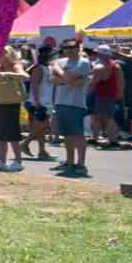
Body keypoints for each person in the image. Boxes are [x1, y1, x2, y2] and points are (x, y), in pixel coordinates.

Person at [47, 38, 94, 178]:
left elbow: (71, 80)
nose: (68, 50)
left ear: (78, 47)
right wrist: (67, 78)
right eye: (65, 47)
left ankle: (81, 164)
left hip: (75, 104)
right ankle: (69, 161)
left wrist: (57, 70)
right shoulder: (61, 62)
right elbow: (52, 81)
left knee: (78, 134)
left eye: (71, 47)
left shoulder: (83, 62)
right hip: (61, 102)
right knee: (67, 135)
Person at [0, 46, 27, 172]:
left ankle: (18, 161)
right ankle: (2, 161)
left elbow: (25, 76)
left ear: (9, 54)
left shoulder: (14, 65)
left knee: (12, 134)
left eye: (3, 52)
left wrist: (7, 74)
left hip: (11, 103)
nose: (1, 55)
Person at [89, 44, 124, 149]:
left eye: (97, 53)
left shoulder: (101, 67)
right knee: (96, 117)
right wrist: (119, 94)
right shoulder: (116, 65)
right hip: (108, 95)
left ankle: (113, 141)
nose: (96, 55)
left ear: (101, 54)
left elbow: (92, 83)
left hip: (104, 96)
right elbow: (121, 82)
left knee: (107, 118)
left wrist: (83, 94)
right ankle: (94, 138)